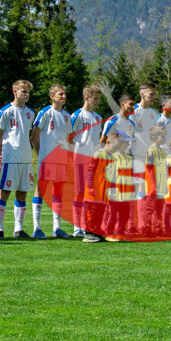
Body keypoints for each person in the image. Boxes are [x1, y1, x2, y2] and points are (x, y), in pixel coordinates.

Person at [0, 80, 36, 240]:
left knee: (22, 193)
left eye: (28, 92)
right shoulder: (6, 111)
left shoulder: (30, 113)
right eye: (23, 91)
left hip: (25, 158)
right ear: (14, 91)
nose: (26, 94)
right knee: (4, 193)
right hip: (10, 158)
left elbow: (29, 135)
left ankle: (19, 229)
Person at [31, 84, 73, 239]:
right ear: (52, 96)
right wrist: (41, 153)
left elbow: (69, 139)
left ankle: (57, 228)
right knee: (40, 191)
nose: (63, 96)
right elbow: (34, 136)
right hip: (47, 160)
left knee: (58, 192)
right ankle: (37, 228)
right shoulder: (45, 113)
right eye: (60, 94)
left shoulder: (67, 116)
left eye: (64, 94)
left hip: (61, 160)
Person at [70, 85, 104, 237]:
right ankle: (77, 227)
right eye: (94, 99)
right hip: (79, 158)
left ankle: (89, 225)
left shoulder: (98, 117)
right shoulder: (76, 115)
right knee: (79, 192)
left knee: (92, 193)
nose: (97, 102)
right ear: (86, 98)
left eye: (98, 99)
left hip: (94, 160)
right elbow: (69, 138)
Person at [82, 128, 127, 243]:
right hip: (94, 191)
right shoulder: (98, 154)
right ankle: (89, 233)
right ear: (107, 143)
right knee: (92, 212)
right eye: (114, 147)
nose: (115, 150)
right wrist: (90, 187)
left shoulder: (112, 158)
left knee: (100, 212)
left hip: (104, 192)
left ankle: (97, 232)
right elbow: (90, 171)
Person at [131, 83, 160, 231]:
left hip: (150, 158)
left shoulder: (154, 113)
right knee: (137, 190)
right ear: (142, 95)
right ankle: (133, 225)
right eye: (151, 94)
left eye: (154, 94)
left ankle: (144, 225)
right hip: (136, 156)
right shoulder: (133, 111)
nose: (153, 97)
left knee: (149, 191)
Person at [144, 126, 169, 235]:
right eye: (162, 136)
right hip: (152, 184)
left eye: (165, 136)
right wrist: (154, 185)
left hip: (161, 183)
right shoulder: (151, 150)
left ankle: (157, 228)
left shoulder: (163, 151)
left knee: (159, 207)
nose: (164, 138)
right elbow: (149, 169)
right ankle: (146, 229)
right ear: (154, 138)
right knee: (150, 207)